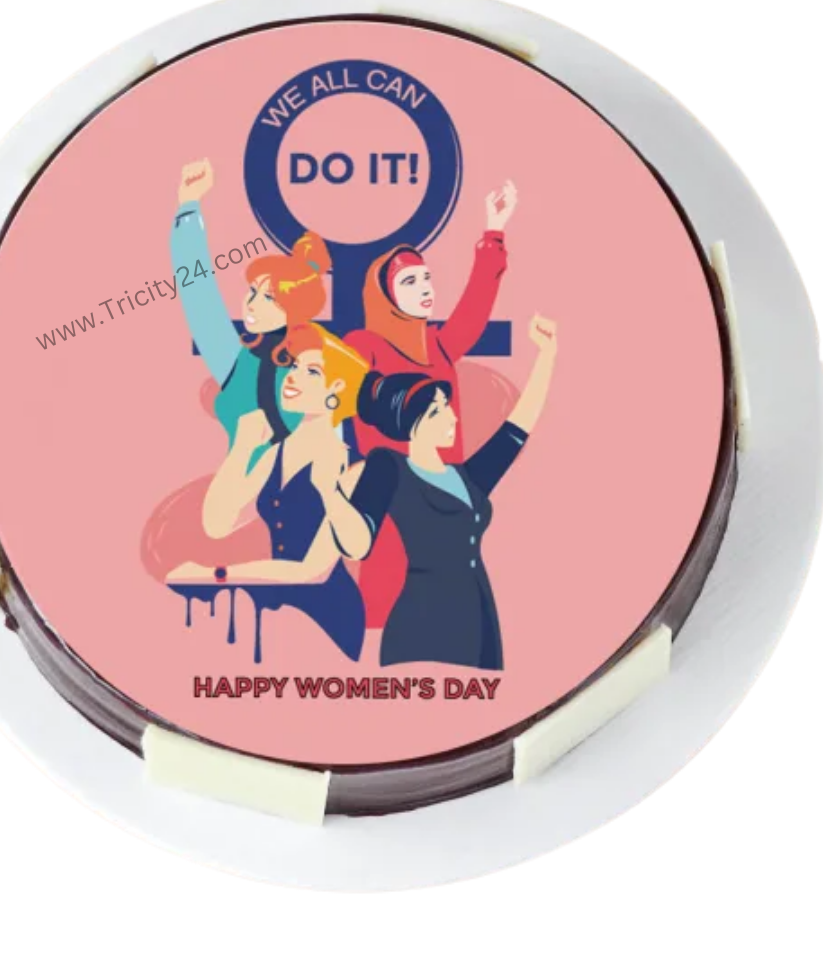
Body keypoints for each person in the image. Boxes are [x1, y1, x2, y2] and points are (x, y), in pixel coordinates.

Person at [316, 315, 558, 670]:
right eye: (439, 410)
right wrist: (329, 492)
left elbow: (517, 428)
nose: (452, 417)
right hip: (422, 624)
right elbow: (357, 544)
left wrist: (547, 355)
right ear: (414, 424)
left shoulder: (468, 476)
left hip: (478, 620)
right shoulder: (388, 466)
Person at [343, 181, 518, 631]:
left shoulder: (439, 345)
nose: (424, 288)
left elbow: (475, 308)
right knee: (386, 596)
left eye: (426, 279)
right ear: (384, 294)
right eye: (408, 281)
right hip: (391, 499)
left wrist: (494, 230)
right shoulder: (363, 346)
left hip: (445, 498)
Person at [166, 325, 369, 661]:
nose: (293, 377)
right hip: (277, 607)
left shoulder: (352, 467)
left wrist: (214, 574)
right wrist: (242, 448)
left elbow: (313, 570)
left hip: (327, 616)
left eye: (312, 372)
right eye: (294, 366)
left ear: (336, 389)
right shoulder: (277, 452)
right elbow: (217, 524)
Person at [170, 158, 332, 460]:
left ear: (293, 310)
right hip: (239, 484)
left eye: (269, 298)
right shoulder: (240, 359)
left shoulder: (311, 367)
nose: (252, 304)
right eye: (253, 291)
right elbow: (198, 295)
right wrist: (189, 206)